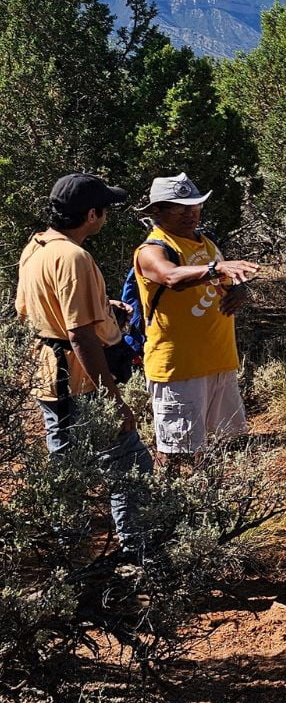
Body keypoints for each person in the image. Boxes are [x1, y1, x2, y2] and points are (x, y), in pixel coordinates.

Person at [14, 173, 153, 551]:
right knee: (130, 466)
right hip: (81, 382)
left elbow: (34, 311)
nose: (106, 216)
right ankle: (135, 550)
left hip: (48, 379)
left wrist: (103, 310)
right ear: (92, 214)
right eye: (105, 209)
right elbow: (78, 334)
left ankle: (71, 557)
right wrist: (113, 399)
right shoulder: (74, 257)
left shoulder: (37, 247)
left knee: (67, 471)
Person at [132, 173, 259, 464]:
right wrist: (217, 268)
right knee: (177, 454)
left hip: (219, 361)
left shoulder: (207, 243)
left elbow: (226, 281)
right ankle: (170, 506)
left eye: (195, 205)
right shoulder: (153, 250)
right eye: (179, 207)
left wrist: (239, 290)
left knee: (224, 449)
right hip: (178, 368)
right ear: (157, 212)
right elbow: (171, 277)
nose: (190, 213)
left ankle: (215, 507)